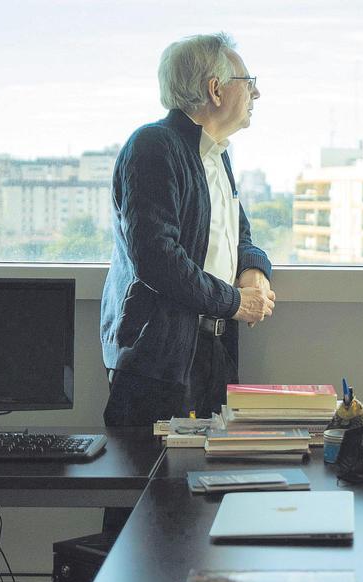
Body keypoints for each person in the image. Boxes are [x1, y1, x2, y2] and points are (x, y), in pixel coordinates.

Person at [100, 33, 275, 427]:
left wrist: (254, 272)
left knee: (209, 479)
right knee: (158, 482)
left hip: (212, 349)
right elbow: (157, 258)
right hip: (159, 360)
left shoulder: (215, 155)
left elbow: (240, 235)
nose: (257, 93)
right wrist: (235, 302)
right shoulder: (154, 145)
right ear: (215, 89)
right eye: (248, 83)